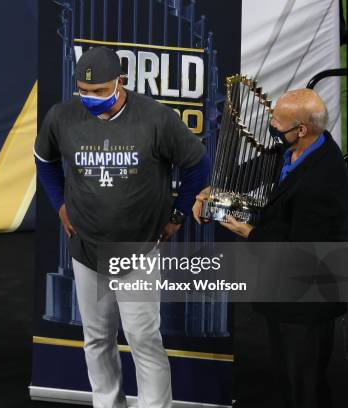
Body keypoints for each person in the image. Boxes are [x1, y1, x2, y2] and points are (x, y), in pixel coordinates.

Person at [34, 47, 210, 408]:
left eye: (100, 91)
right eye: (84, 91)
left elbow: (198, 165)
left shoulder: (156, 118)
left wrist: (177, 215)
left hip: (138, 249)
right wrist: (59, 204)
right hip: (85, 248)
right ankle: (107, 403)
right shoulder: (61, 117)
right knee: (97, 338)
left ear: (121, 83)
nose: (91, 98)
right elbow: (44, 160)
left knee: (143, 338)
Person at [193, 88, 348, 408]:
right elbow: (254, 169)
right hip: (281, 289)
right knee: (284, 377)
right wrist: (212, 190)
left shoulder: (323, 180)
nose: (271, 125)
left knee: (304, 385)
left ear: (301, 130)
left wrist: (248, 231)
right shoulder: (294, 149)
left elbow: (301, 252)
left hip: (305, 300)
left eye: (277, 121)